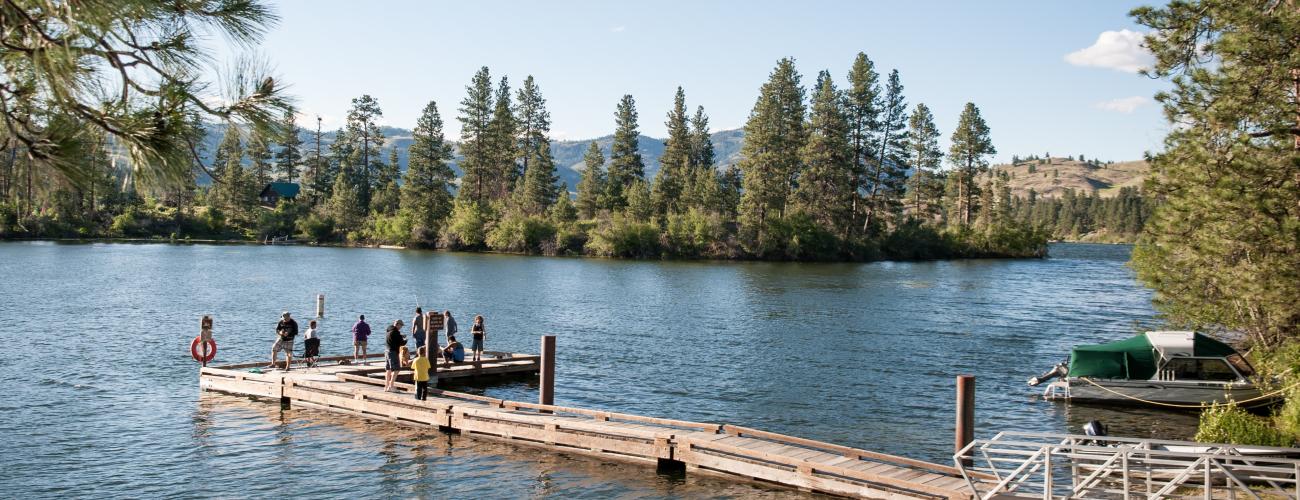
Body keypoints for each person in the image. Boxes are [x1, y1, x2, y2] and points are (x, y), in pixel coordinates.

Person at [384, 320, 405, 392]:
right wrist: (405, 340)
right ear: (398, 325)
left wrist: (400, 336)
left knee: (388, 369)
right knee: (396, 369)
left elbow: (393, 338)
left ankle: (386, 386)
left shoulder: (389, 330)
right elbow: (402, 343)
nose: (401, 327)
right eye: (401, 326)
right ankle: (391, 386)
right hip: (393, 352)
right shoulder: (396, 332)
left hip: (387, 351)